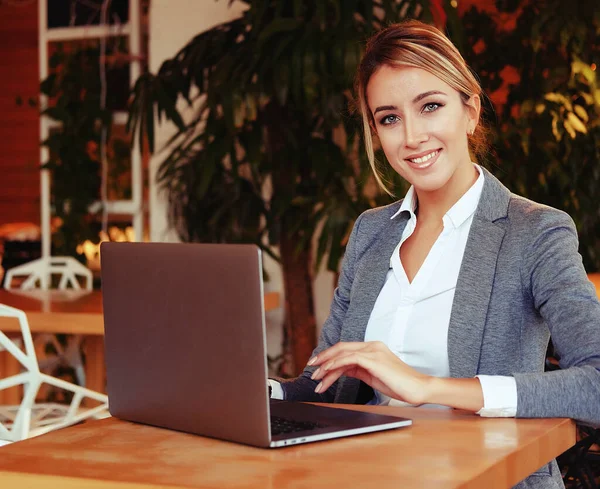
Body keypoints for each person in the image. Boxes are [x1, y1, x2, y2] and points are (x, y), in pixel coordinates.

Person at [268, 20, 600, 488]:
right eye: (389, 118)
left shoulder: (535, 232)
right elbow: (326, 376)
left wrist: (427, 388)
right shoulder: (370, 232)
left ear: (470, 111)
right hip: (362, 476)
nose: (411, 137)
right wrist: (260, 393)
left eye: (430, 106)